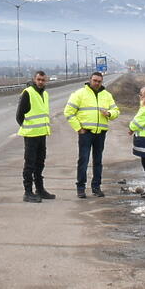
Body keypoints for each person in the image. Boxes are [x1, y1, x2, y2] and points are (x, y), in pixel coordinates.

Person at [64, 71, 119, 198]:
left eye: (99, 81)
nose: (97, 83)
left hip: (100, 133)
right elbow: (68, 112)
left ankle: (96, 187)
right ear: (90, 80)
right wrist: (78, 128)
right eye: (95, 80)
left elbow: (116, 111)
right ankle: (81, 188)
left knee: (98, 161)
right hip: (86, 133)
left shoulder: (107, 95)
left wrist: (109, 114)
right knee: (83, 160)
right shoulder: (79, 94)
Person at [16, 71, 55, 203]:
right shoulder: (28, 92)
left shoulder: (45, 94)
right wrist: (27, 127)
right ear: (34, 79)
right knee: (30, 164)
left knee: (40, 163)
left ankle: (40, 189)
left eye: (43, 80)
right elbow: (19, 115)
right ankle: (28, 192)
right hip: (31, 135)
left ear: (46, 81)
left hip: (42, 134)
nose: (40, 82)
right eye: (38, 79)